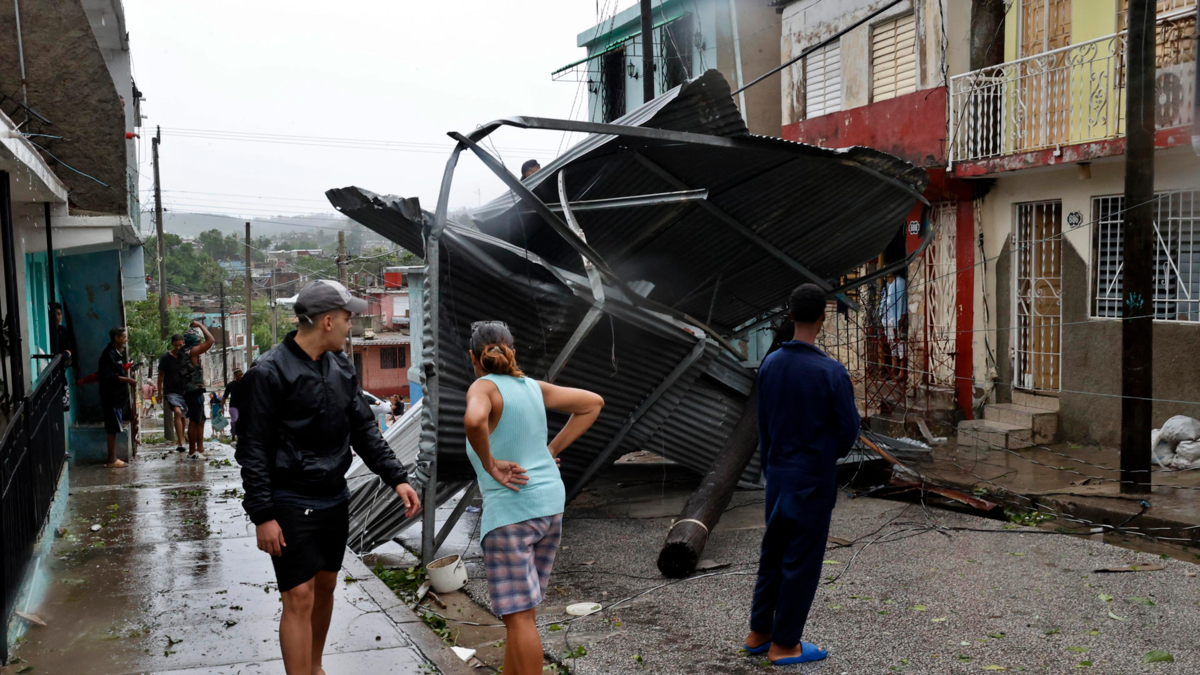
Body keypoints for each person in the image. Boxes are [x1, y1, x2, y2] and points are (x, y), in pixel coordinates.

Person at [236, 279, 421, 675]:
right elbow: (251, 449)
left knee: (325, 587)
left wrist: (397, 478)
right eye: (346, 318)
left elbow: (364, 431)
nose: (349, 325)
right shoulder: (268, 373)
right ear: (326, 321)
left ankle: (315, 666)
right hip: (288, 498)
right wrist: (262, 514)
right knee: (298, 596)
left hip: (334, 497)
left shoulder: (340, 367)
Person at [463, 321, 603, 675]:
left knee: (520, 618)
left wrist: (491, 464)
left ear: (472, 357)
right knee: (522, 614)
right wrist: (550, 449)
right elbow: (592, 403)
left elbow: (474, 421)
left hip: (512, 513)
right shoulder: (532, 387)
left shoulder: (483, 387)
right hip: (549, 508)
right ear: (512, 350)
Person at [742, 284, 861, 666]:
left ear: (790, 316)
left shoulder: (771, 364)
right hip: (811, 478)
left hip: (777, 474)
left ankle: (759, 633)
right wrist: (824, 457)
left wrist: (773, 464)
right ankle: (786, 644)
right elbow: (848, 431)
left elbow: (763, 425)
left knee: (773, 552)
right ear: (823, 320)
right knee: (802, 561)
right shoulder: (831, 372)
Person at [99, 327, 136, 468]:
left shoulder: (116, 354)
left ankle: (113, 458)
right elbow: (110, 376)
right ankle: (111, 459)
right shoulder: (109, 355)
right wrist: (128, 380)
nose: (126, 340)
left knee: (114, 427)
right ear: (117, 338)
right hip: (111, 396)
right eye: (124, 337)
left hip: (116, 396)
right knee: (112, 428)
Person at [179, 322, 215, 460]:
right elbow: (211, 340)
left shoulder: (182, 351)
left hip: (193, 390)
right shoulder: (192, 351)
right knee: (195, 420)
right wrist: (200, 325)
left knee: (201, 419)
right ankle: (192, 451)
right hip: (193, 391)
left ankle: (200, 448)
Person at [158, 334, 188, 453]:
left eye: (181, 345)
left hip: (184, 391)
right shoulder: (166, 357)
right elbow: (160, 375)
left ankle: (181, 437)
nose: (178, 347)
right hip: (171, 391)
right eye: (176, 345)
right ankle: (180, 442)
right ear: (172, 344)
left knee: (184, 417)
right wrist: (159, 393)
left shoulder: (185, 356)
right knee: (177, 412)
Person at [881, 271, 908, 380]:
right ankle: (893, 370)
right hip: (887, 320)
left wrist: (902, 317)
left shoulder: (900, 283)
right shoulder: (886, 286)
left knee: (901, 345)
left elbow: (903, 301)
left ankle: (902, 372)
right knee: (892, 346)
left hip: (897, 319)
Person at [223, 369, 244, 443]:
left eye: (242, 375)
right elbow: (225, 396)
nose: (241, 377)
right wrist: (221, 407)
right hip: (233, 406)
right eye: (239, 376)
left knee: (242, 421)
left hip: (243, 405)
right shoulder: (231, 385)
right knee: (234, 420)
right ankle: (233, 435)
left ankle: (241, 436)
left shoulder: (245, 383)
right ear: (236, 376)